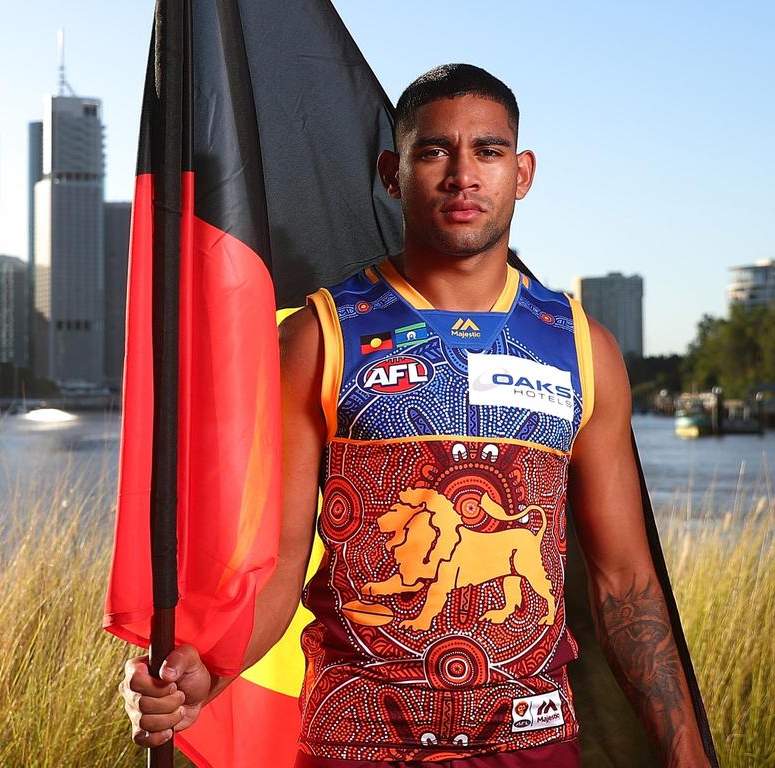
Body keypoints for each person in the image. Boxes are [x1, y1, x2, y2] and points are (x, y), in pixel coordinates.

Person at [119, 64, 712, 767]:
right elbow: (277, 566)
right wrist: (205, 671)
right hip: (358, 743)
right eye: (434, 151)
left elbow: (625, 586)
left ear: (521, 173)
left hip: (534, 744)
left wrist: (686, 755)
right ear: (392, 174)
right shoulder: (320, 337)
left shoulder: (582, 348)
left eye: (488, 152)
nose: (464, 174)